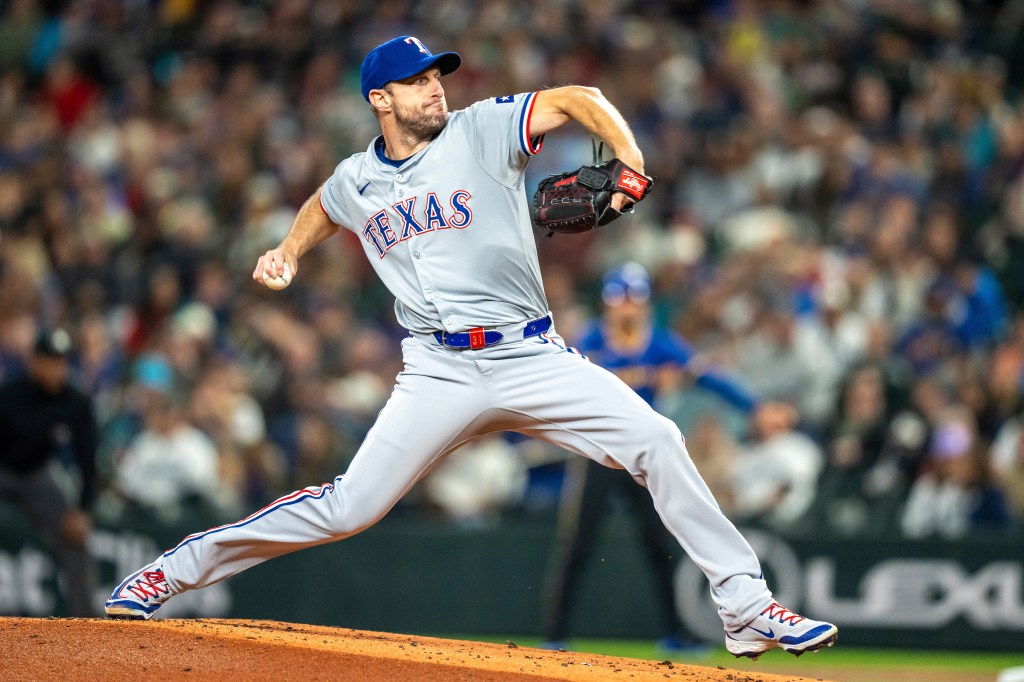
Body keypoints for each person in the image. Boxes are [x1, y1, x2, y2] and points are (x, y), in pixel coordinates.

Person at [105, 35, 838, 659]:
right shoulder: (357, 177)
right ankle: (173, 572)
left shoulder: (483, 130)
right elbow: (325, 205)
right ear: (379, 101)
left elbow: (579, 96)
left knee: (656, 437)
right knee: (348, 509)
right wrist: (288, 251)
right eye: (416, 82)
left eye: (435, 77)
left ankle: (744, 606)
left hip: (530, 355)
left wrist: (629, 156)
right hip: (438, 370)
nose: (434, 90)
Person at [540, 263, 797, 653]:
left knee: (660, 546)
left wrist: (755, 408)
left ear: (645, 305)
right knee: (578, 545)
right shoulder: (591, 341)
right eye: (619, 300)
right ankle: (554, 637)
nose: (626, 308)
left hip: (643, 461)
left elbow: (711, 377)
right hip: (598, 456)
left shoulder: (659, 343)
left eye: (634, 300)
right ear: (607, 305)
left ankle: (676, 635)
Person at [0, 328, 99, 616]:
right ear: (35, 362)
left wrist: (82, 509)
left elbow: (87, 459)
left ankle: (88, 620)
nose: (57, 369)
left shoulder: (75, 403)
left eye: (62, 362)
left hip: (36, 474)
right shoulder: (10, 394)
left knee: (75, 534)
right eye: (51, 361)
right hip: (2, 467)